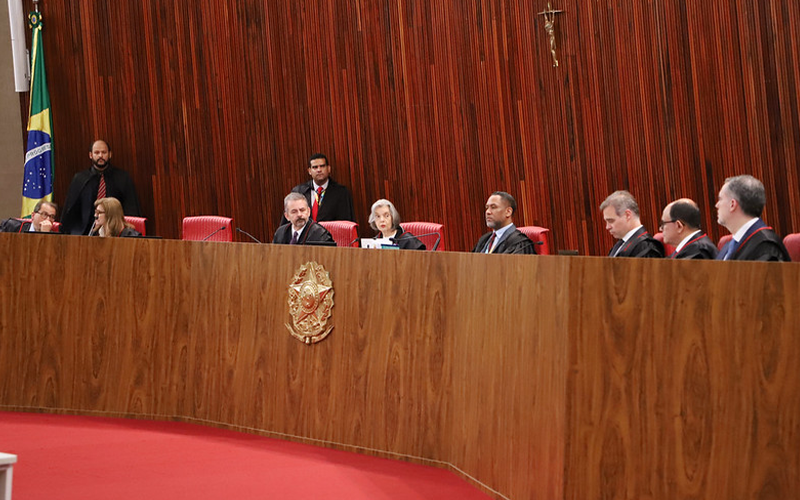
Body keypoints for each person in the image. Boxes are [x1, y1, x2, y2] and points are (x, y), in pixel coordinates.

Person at [60, 140, 141, 235]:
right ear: (90, 155)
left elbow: (131, 209)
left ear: (110, 154)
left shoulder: (122, 178)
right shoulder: (80, 178)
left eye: (104, 152)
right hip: (84, 233)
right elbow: (70, 210)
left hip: (114, 232)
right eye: (97, 152)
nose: (100, 156)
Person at [715, 175, 790, 261]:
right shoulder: (728, 247)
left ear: (732, 204)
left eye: (720, 199)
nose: (717, 205)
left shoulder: (765, 246)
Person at [289, 153, 355, 222]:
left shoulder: (341, 193)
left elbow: (347, 222)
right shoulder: (298, 192)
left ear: (328, 169)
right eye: (315, 167)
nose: (319, 170)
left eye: (322, 166)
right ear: (309, 171)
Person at [600, 190, 664, 258]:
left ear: (627, 215)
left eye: (611, 221)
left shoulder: (646, 246)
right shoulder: (620, 245)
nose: (607, 227)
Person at [472, 192, 536, 254]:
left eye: (493, 207)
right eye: (487, 207)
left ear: (508, 212)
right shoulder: (484, 239)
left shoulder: (519, 242)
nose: (488, 212)